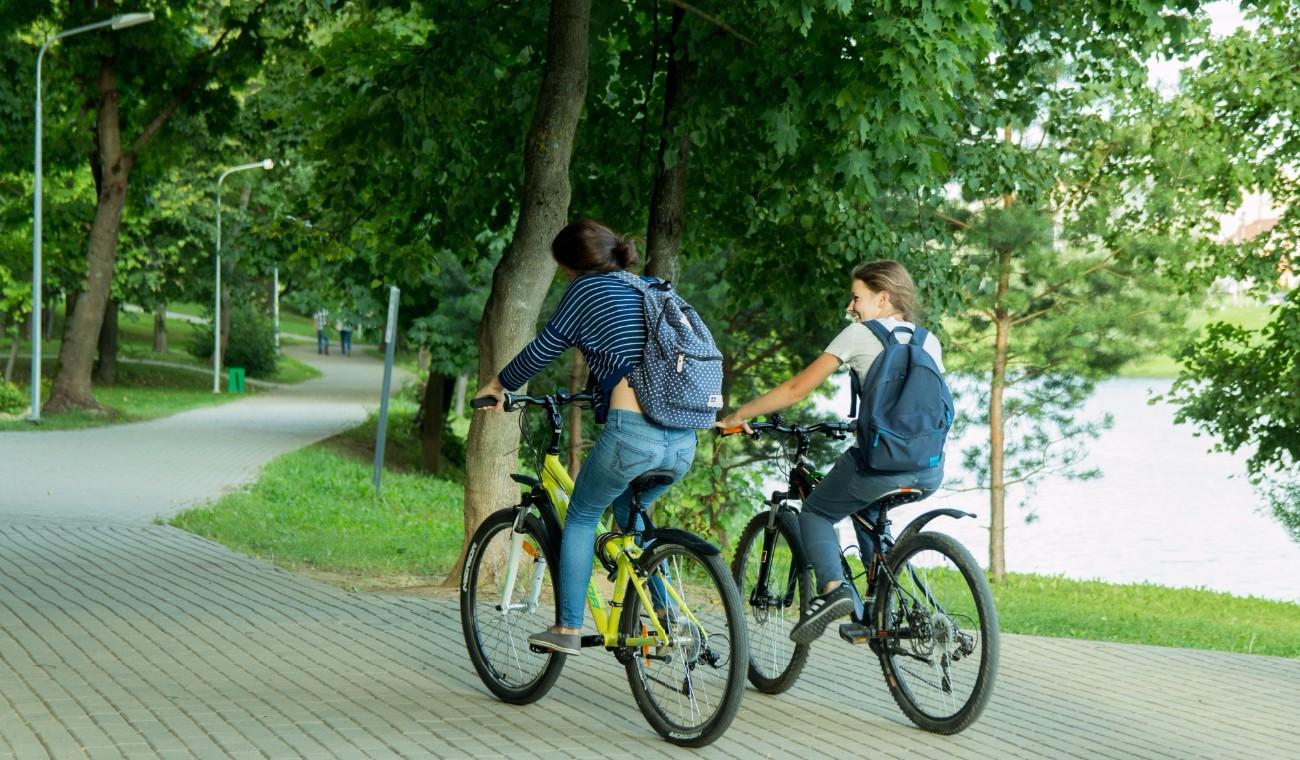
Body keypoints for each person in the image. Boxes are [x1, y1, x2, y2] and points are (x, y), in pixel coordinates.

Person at [473, 219, 697, 655]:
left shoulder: (587, 289)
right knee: (630, 517)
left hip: (633, 436)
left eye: (563, 268)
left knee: (580, 517)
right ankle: (663, 613)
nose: (563, 276)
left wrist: (499, 385)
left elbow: (546, 346)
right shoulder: (647, 287)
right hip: (683, 439)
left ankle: (567, 628)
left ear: (573, 264)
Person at [717, 260, 946, 645]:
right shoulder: (930, 340)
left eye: (857, 297)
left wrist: (738, 415)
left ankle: (834, 590)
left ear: (883, 297)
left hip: (880, 465)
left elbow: (795, 390)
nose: (852, 305)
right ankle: (877, 614)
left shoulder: (858, 335)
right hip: (928, 468)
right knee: (867, 510)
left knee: (818, 511)